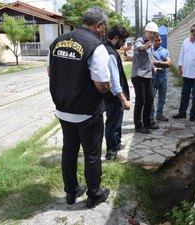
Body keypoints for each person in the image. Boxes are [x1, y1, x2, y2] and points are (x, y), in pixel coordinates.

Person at [48, 7, 111, 209]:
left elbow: (51, 71)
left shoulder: (57, 42)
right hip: (86, 111)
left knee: (69, 151)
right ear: (99, 25)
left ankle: (71, 191)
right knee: (92, 155)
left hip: (64, 109)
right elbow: (102, 85)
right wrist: (109, 87)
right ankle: (94, 194)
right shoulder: (96, 46)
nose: (105, 31)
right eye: (105, 27)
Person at [104, 25, 130, 160]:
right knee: (112, 124)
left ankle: (116, 145)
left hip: (113, 97)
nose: (124, 43)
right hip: (112, 97)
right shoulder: (110, 54)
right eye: (123, 40)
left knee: (116, 122)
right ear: (116, 38)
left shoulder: (109, 49)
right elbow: (114, 80)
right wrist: (123, 99)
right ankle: (111, 152)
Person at [172, 24, 195, 122]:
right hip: (186, 73)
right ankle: (182, 113)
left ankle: (193, 114)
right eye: (192, 30)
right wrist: (179, 67)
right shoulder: (185, 42)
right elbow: (182, 55)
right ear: (190, 31)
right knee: (184, 94)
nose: (194, 32)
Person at [131, 21, 159, 134]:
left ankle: (147, 122)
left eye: (154, 33)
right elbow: (137, 49)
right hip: (138, 75)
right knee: (140, 100)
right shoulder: (140, 40)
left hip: (147, 75)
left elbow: (150, 58)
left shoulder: (150, 43)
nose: (152, 35)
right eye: (150, 32)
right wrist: (144, 46)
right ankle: (138, 125)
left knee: (149, 99)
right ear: (145, 32)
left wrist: (154, 68)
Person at [151, 34, 171, 122]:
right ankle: (150, 116)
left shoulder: (165, 51)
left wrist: (157, 62)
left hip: (163, 78)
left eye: (159, 40)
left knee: (162, 98)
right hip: (153, 78)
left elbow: (169, 63)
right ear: (153, 41)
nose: (158, 42)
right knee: (151, 98)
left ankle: (159, 115)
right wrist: (163, 63)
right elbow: (152, 63)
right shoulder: (150, 50)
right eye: (156, 40)